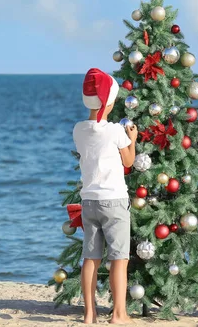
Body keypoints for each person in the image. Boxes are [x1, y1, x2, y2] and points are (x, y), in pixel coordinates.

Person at [73, 68, 137, 324]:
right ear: (109, 101)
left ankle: (89, 314)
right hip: (115, 202)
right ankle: (119, 314)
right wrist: (132, 139)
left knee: (91, 259)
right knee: (119, 259)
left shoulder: (78, 130)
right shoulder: (115, 132)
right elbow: (129, 161)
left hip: (89, 202)